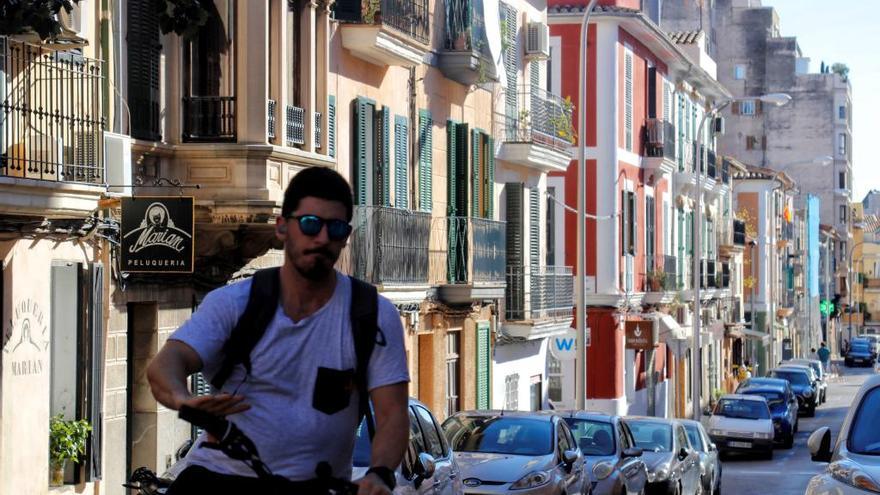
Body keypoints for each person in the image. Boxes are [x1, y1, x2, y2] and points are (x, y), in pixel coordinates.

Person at [147, 167, 410, 495]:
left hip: (317, 485)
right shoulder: (235, 303)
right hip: (222, 477)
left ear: (346, 236)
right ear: (283, 227)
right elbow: (167, 363)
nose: (323, 238)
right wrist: (182, 400)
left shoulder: (372, 315)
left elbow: (393, 414)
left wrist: (381, 473)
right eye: (311, 224)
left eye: (336, 228)